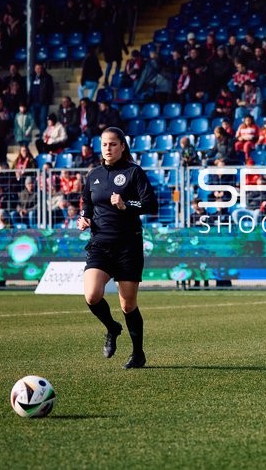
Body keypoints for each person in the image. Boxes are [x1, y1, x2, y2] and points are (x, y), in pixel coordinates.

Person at [78, 127, 158, 369]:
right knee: (92, 295)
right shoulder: (93, 175)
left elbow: (150, 204)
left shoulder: (133, 172)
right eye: (104, 144)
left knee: (128, 304)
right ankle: (112, 327)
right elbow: (87, 206)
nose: (108, 148)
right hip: (100, 244)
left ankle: (138, 354)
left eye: (113, 144)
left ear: (122, 146)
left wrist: (127, 205)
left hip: (128, 246)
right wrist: (84, 219)